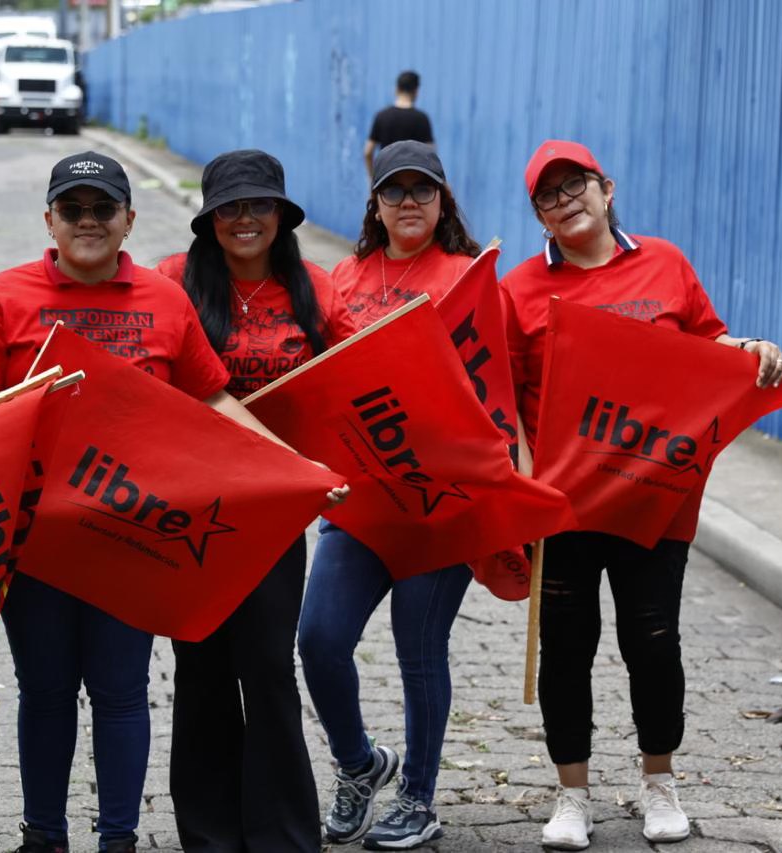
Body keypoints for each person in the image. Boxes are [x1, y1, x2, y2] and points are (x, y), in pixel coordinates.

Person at [0, 151, 345, 853]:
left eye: (103, 208)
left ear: (129, 220)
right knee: (43, 691)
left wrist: (290, 464)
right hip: (35, 540)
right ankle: (43, 835)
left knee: (123, 691)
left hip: (131, 536)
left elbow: (214, 397)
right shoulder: (1, 297)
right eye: (72, 210)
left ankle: (119, 839)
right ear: (49, 220)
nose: (88, 222)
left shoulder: (166, 302)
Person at [500, 139, 782, 850]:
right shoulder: (520, 291)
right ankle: (572, 796)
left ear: (607, 189)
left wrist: (745, 348)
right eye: (549, 195)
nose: (566, 201)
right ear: (538, 215)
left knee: (653, 643)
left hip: (654, 496)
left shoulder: (664, 262)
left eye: (577, 187)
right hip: (566, 503)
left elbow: (706, 346)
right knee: (567, 647)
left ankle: (659, 780)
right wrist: (527, 481)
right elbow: (505, 401)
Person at [154, 149, 357, 851]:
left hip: (274, 513)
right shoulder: (173, 283)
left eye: (259, 205)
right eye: (231, 207)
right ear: (209, 219)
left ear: (280, 214)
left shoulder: (314, 288)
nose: (245, 219)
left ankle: (284, 835)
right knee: (200, 666)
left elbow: (367, 376)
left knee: (268, 669)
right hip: (192, 511)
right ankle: (210, 835)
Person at [296, 140, 480, 851]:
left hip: (440, 505)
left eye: (422, 190)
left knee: (418, 646)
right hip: (362, 502)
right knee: (319, 638)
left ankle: (419, 797)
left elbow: (496, 382)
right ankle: (359, 763)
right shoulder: (343, 277)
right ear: (375, 203)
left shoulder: (468, 276)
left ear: (443, 200)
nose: (409, 201)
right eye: (394, 190)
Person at [364, 70, 434, 181]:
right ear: (416, 91)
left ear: (396, 89)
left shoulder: (381, 116)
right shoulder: (421, 119)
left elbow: (368, 152)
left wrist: (372, 178)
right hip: (413, 182)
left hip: (386, 179)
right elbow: (431, 154)